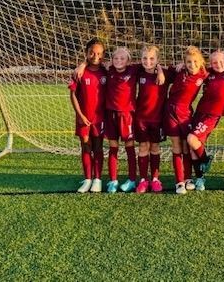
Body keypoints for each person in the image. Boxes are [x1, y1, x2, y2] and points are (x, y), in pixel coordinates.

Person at [185, 50, 224, 191]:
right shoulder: (208, 73)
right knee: (192, 148)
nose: (218, 64)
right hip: (200, 112)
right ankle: (200, 178)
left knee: (191, 139)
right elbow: (193, 68)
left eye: (221, 61)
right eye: (214, 62)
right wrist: (180, 65)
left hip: (212, 116)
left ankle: (206, 158)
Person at [164, 46, 209, 194]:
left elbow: (221, 70)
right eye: (188, 62)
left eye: (195, 61)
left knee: (186, 147)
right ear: (184, 62)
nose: (192, 65)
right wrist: (159, 70)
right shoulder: (179, 71)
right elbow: (161, 70)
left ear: (201, 62)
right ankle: (179, 182)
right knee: (176, 146)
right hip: (170, 112)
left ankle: (188, 178)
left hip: (186, 114)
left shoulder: (204, 74)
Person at [68, 38, 107, 193]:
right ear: (86, 53)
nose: (95, 55)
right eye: (91, 52)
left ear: (103, 55)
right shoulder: (79, 73)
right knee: (85, 146)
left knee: (98, 147)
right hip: (83, 117)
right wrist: (80, 115)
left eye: (98, 53)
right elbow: (73, 95)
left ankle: (97, 179)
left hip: (100, 118)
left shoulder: (106, 71)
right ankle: (87, 179)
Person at [104, 47, 140, 194]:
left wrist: (161, 69)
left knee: (129, 147)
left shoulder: (134, 70)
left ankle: (132, 180)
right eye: (116, 58)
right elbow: (90, 64)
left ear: (129, 61)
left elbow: (152, 64)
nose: (119, 60)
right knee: (113, 148)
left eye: (122, 58)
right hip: (110, 114)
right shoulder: (108, 70)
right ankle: (113, 180)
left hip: (127, 115)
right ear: (111, 60)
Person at [134, 45, 167, 193]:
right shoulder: (138, 71)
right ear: (140, 60)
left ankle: (155, 179)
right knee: (142, 148)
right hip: (141, 118)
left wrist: (160, 70)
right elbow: (119, 66)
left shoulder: (166, 73)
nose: (148, 61)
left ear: (158, 60)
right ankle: (143, 179)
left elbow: (182, 69)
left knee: (154, 147)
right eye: (145, 58)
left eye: (152, 58)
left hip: (158, 119)